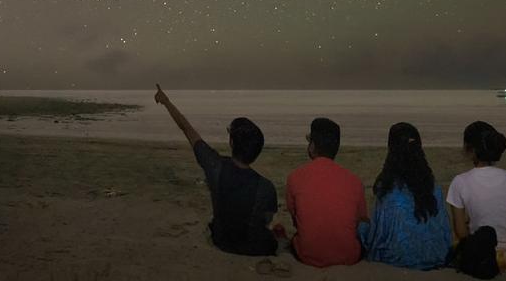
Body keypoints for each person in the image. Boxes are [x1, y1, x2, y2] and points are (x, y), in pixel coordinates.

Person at [154, 84, 278, 256]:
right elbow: (266, 220)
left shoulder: (215, 166)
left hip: (222, 241)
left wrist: (166, 101)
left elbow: (186, 128)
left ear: (232, 143)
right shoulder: (266, 187)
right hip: (253, 247)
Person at [358, 122, 452, 269]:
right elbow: (443, 229)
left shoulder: (387, 188)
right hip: (434, 256)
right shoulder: (432, 187)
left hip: (396, 257)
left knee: (361, 228)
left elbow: (379, 234)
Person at [446, 120, 506, 270]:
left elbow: (461, 232)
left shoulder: (460, 181)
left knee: (453, 239)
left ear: (470, 150)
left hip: (486, 255)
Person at [284, 117, 368, 267]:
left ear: (313, 146)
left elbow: (296, 220)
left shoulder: (295, 178)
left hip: (307, 255)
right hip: (349, 256)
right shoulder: (354, 181)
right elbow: (361, 221)